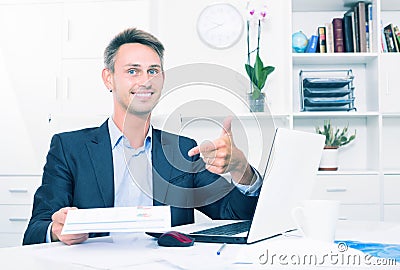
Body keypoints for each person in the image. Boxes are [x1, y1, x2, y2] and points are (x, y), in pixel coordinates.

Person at [23, 28, 261, 246]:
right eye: (132, 71)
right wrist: (56, 230)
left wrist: (242, 170)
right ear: (109, 78)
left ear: (162, 79)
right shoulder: (69, 148)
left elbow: (235, 217)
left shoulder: (182, 150)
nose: (145, 80)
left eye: (153, 71)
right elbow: (34, 231)